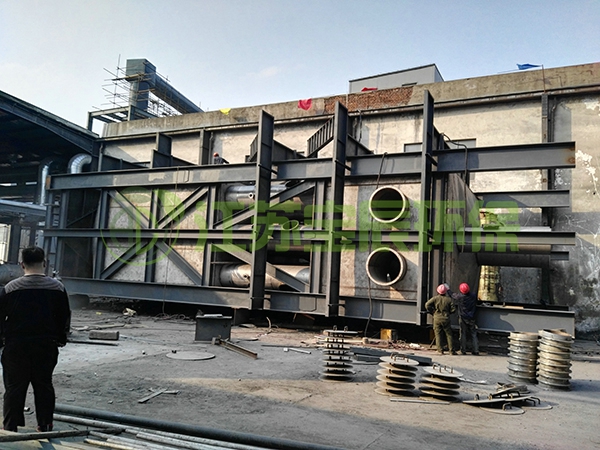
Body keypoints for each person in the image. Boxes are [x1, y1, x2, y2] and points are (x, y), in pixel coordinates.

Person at [0, 246, 71, 432]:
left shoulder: (10, 289)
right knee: (44, 385)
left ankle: (11, 426)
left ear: (22, 265)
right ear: (44, 263)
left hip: (16, 347)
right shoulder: (57, 288)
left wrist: (2, 341)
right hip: (45, 346)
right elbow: (64, 317)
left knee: (14, 388)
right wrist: (60, 339)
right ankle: (44, 424)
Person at [425, 284, 456, 355]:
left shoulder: (435, 299)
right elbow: (453, 310)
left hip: (437, 318)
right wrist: (448, 313)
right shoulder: (449, 300)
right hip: (446, 318)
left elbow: (427, 305)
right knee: (449, 335)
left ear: (438, 291)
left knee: (438, 334)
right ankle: (451, 351)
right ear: (445, 292)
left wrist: (432, 311)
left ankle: (440, 350)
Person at [450, 282, 479, 355]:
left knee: (463, 333)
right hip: (472, 317)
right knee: (473, 333)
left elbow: (453, 295)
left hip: (463, 317)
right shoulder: (473, 296)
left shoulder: (460, 297)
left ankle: (463, 350)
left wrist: (447, 290)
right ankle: (476, 350)